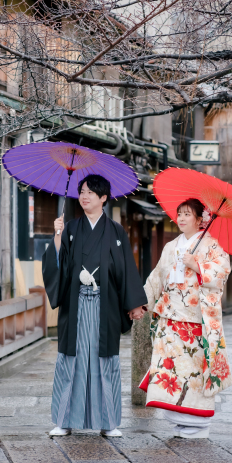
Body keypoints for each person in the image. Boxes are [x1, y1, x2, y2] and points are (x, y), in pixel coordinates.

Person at [42, 174, 148, 438]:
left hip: (105, 306)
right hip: (76, 305)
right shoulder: (70, 229)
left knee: (105, 362)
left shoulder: (116, 231)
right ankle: (64, 419)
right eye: (82, 191)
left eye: (91, 192)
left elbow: (125, 269)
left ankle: (108, 422)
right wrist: (57, 235)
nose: (84, 196)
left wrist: (134, 303)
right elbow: (57, 263)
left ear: (103, 198)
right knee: (71, 361)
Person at [140, 198, 232, 438]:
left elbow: (223, 271)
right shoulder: (171, 247)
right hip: (170, 318)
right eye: (179, 213)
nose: (180, 218)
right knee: (172, 370)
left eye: (187, 214)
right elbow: (157, 277)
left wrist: (198, 265)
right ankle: (178, 420)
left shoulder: (211, 245)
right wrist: (141, 302)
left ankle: (197, 423)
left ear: (200, 219)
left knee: (193, 372)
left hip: (195, 321)